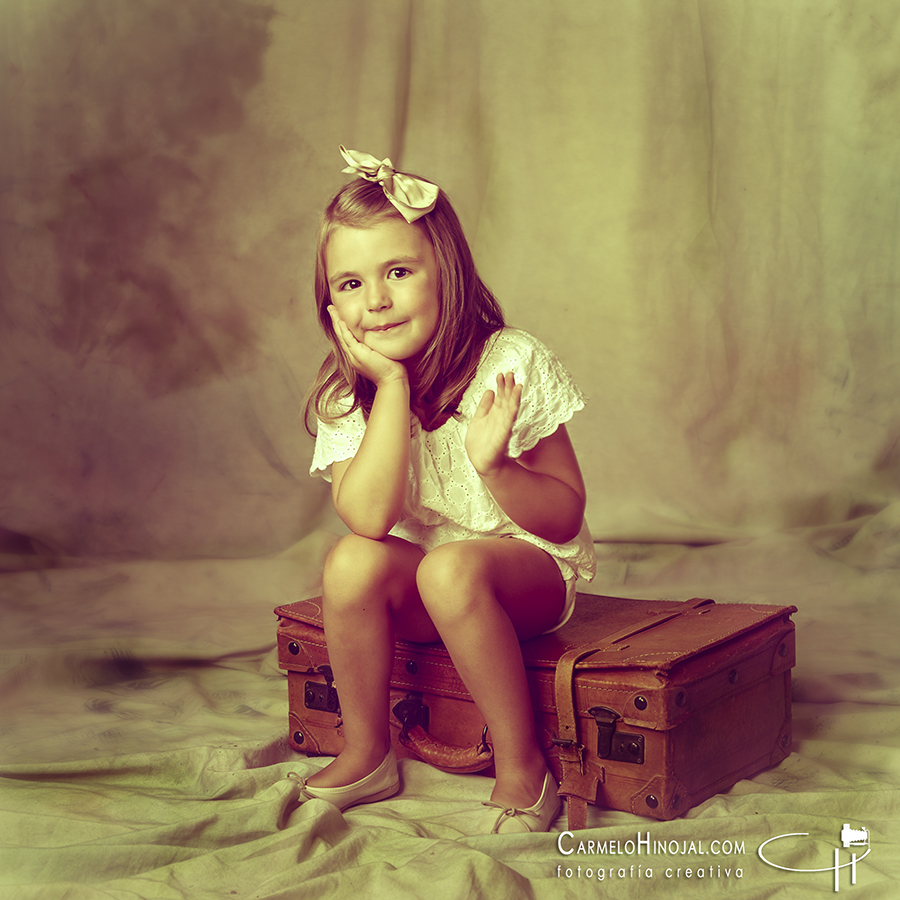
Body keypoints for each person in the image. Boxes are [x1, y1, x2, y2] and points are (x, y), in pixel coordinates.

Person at [298, 146, 595, 834]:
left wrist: (498, 470)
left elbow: (565, 514)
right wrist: (392, 386)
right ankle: (368, 751)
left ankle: (523, 768)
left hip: (528, 576)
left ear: (445, 271)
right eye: (349, 284)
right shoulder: (352, 393)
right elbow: (370, 520)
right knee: (349, 560)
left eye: (398, 272)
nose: (375, 301)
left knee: (452, 566)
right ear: (331, 303)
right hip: (428, 585)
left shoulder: (508, 361)